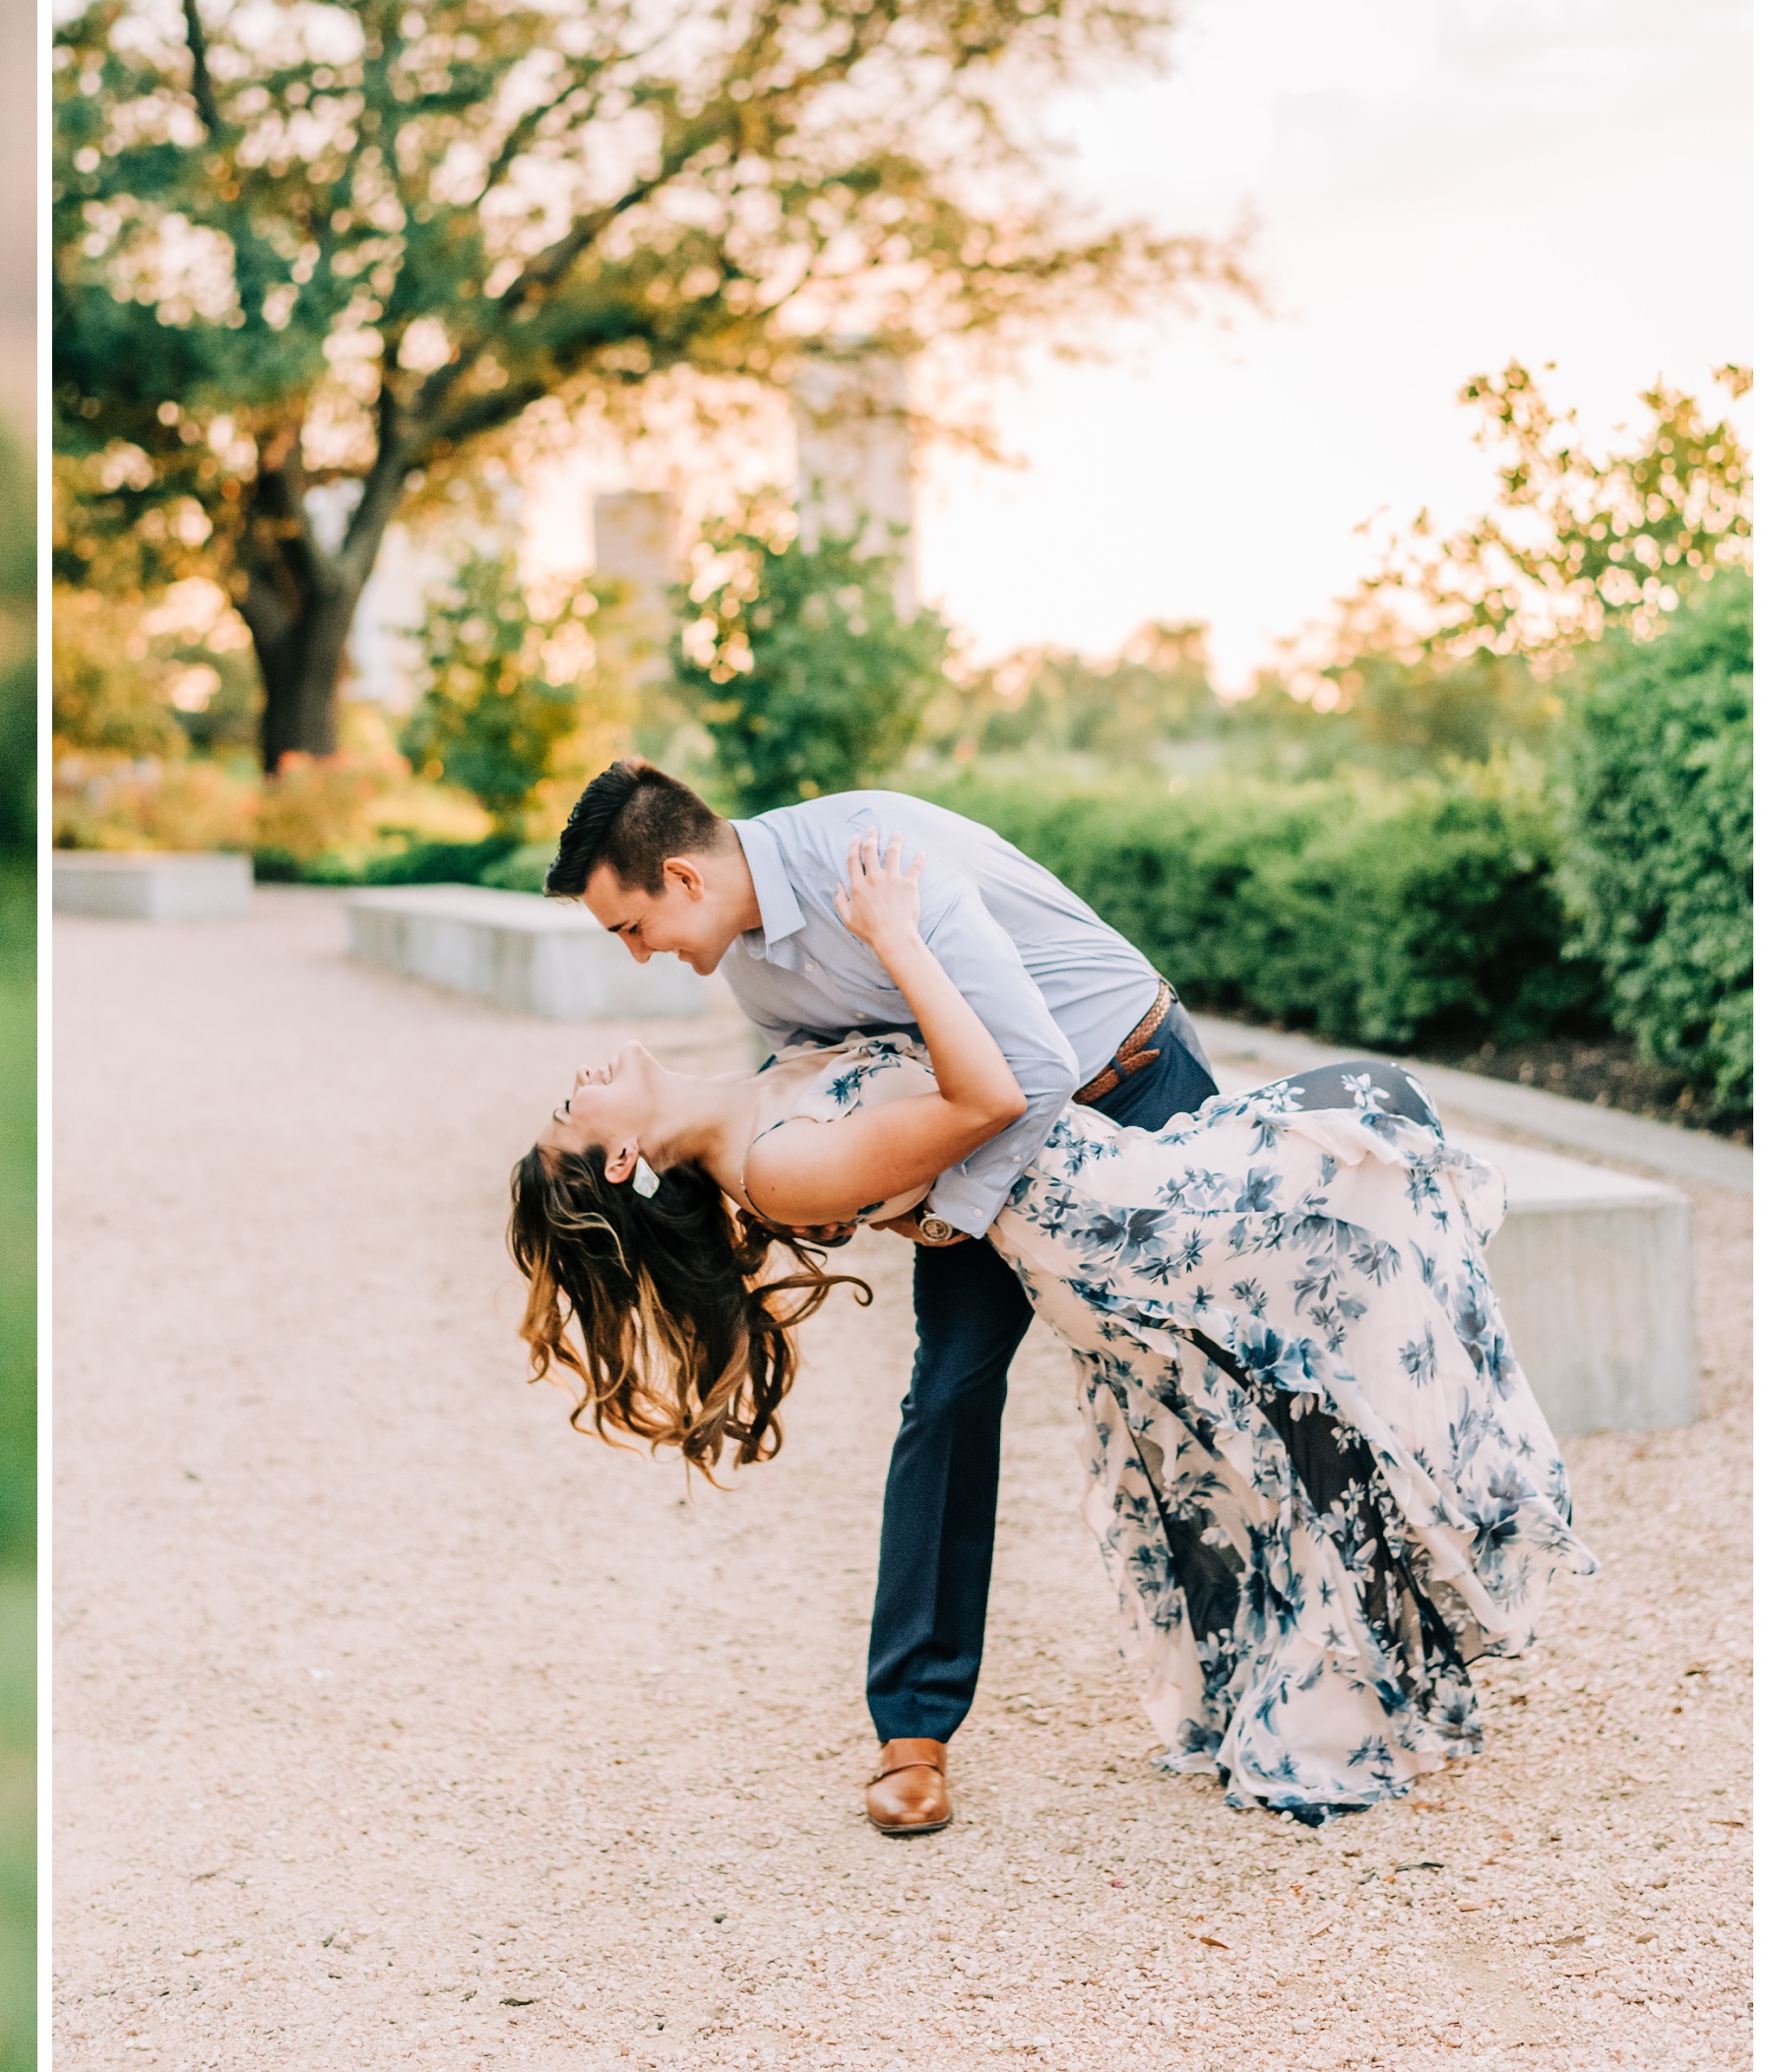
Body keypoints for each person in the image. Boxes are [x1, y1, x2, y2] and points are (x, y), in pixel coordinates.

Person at [514, 827, 1590, 1821]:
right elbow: (983, 1098)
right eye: (571, 1110)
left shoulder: (764, 1051)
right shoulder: (773, 1164)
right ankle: (928, 1729)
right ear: (618, 1162)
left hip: (1115, 1141)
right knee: (1355, 1179)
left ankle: (1352, 1656)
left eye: (631, 923)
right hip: (1110, 1214)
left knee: (1271, 1387)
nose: (575, 1080)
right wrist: (893, 932)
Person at [542, 757, 1230, 1835]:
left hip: (1130, 1086)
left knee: (1210, 1383)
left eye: (629, 926)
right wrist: (845, 1199)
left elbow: (1034, 1066)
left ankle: (1313, 1647)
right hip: (991, 1136)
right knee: (945, 1394)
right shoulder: (751, 972)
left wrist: (946, 1212)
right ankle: (911, 1729)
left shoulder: (873, 856)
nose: (642, 956)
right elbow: (853, 1087)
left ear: (678, 876)